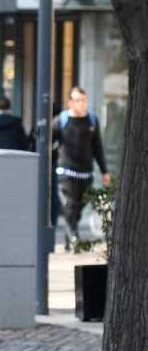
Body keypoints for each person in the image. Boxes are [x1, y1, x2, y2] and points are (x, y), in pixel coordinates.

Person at [53, 86, 109, 248]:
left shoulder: (92, 120)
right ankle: (75, 239)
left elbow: (97, 147)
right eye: (77, 100)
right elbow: (46, 140)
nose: (81, 104)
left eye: (84, 100)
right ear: (70, 102)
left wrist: (104, 171)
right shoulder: (61, 121)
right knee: (70, 205)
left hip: (86, 174)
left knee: (78, 208)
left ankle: (68, 238)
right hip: (66, 172)